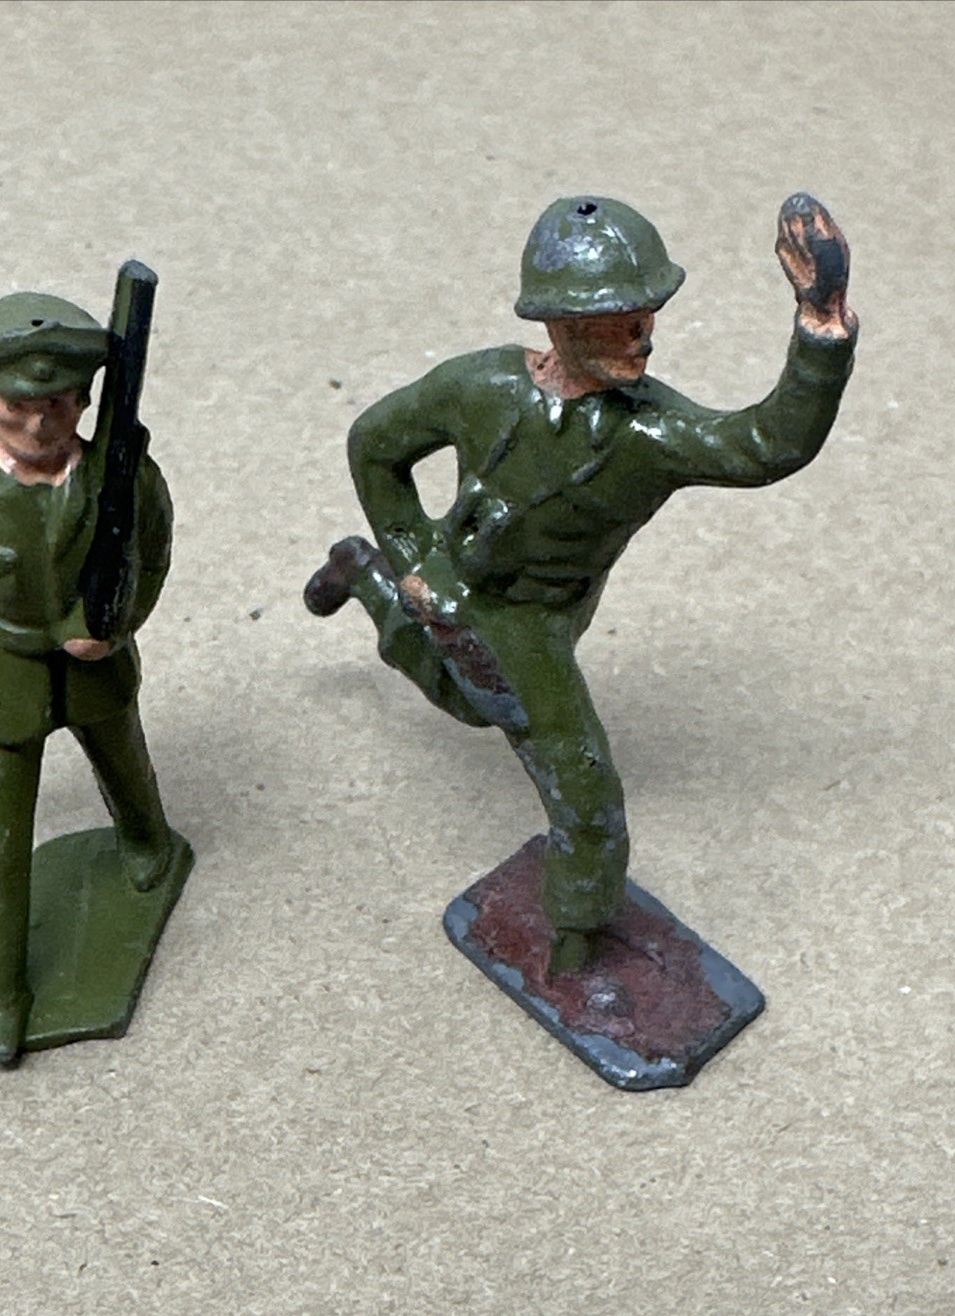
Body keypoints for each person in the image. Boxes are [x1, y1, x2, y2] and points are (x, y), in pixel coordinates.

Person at [305, 192, 857, 975]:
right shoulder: (481, 387)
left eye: (647, 315)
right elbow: (374, 444)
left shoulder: (649, 434)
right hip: (449, 578)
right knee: (504, 726)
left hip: (535, 622)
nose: (642, 336)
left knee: (560, 773)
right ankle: (371, 575)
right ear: (558, 323)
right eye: (617, 320)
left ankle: (574, 936)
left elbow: (765, 443)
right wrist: (413, 557)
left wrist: (819, 326)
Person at [0, 291, 176, 1065]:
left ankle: (148, 841)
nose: (39, 423)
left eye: (57, 404)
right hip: (1, 671)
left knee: (125, 763)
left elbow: (152, 555)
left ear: (83, 399)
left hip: (95, 667)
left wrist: (114, 625)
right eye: (18, 405)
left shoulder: (121, 475)